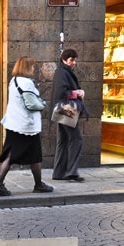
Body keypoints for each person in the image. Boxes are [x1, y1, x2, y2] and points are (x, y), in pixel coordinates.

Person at [0, 57, 53, 196]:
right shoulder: (27, 83)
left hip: (14, 123)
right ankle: (37, 185)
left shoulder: (14, 81)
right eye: (31, 67)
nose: (33, 69)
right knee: (35, 155)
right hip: (26, 126)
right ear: (26, 68)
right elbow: (32, 104)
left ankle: (0, 184)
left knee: (11, 155)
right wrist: (42, 104)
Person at [51, 48, 88, 182]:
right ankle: (71, 172)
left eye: (75, 60)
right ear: (64, 60)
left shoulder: (61, 71)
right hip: (67, 109)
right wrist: (77, 93)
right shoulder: (62, 72)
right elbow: (61, 92)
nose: (74, 63)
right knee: (76, 139)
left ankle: (59, 173)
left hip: (62, 109)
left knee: (63, 140)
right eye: (71, 60)